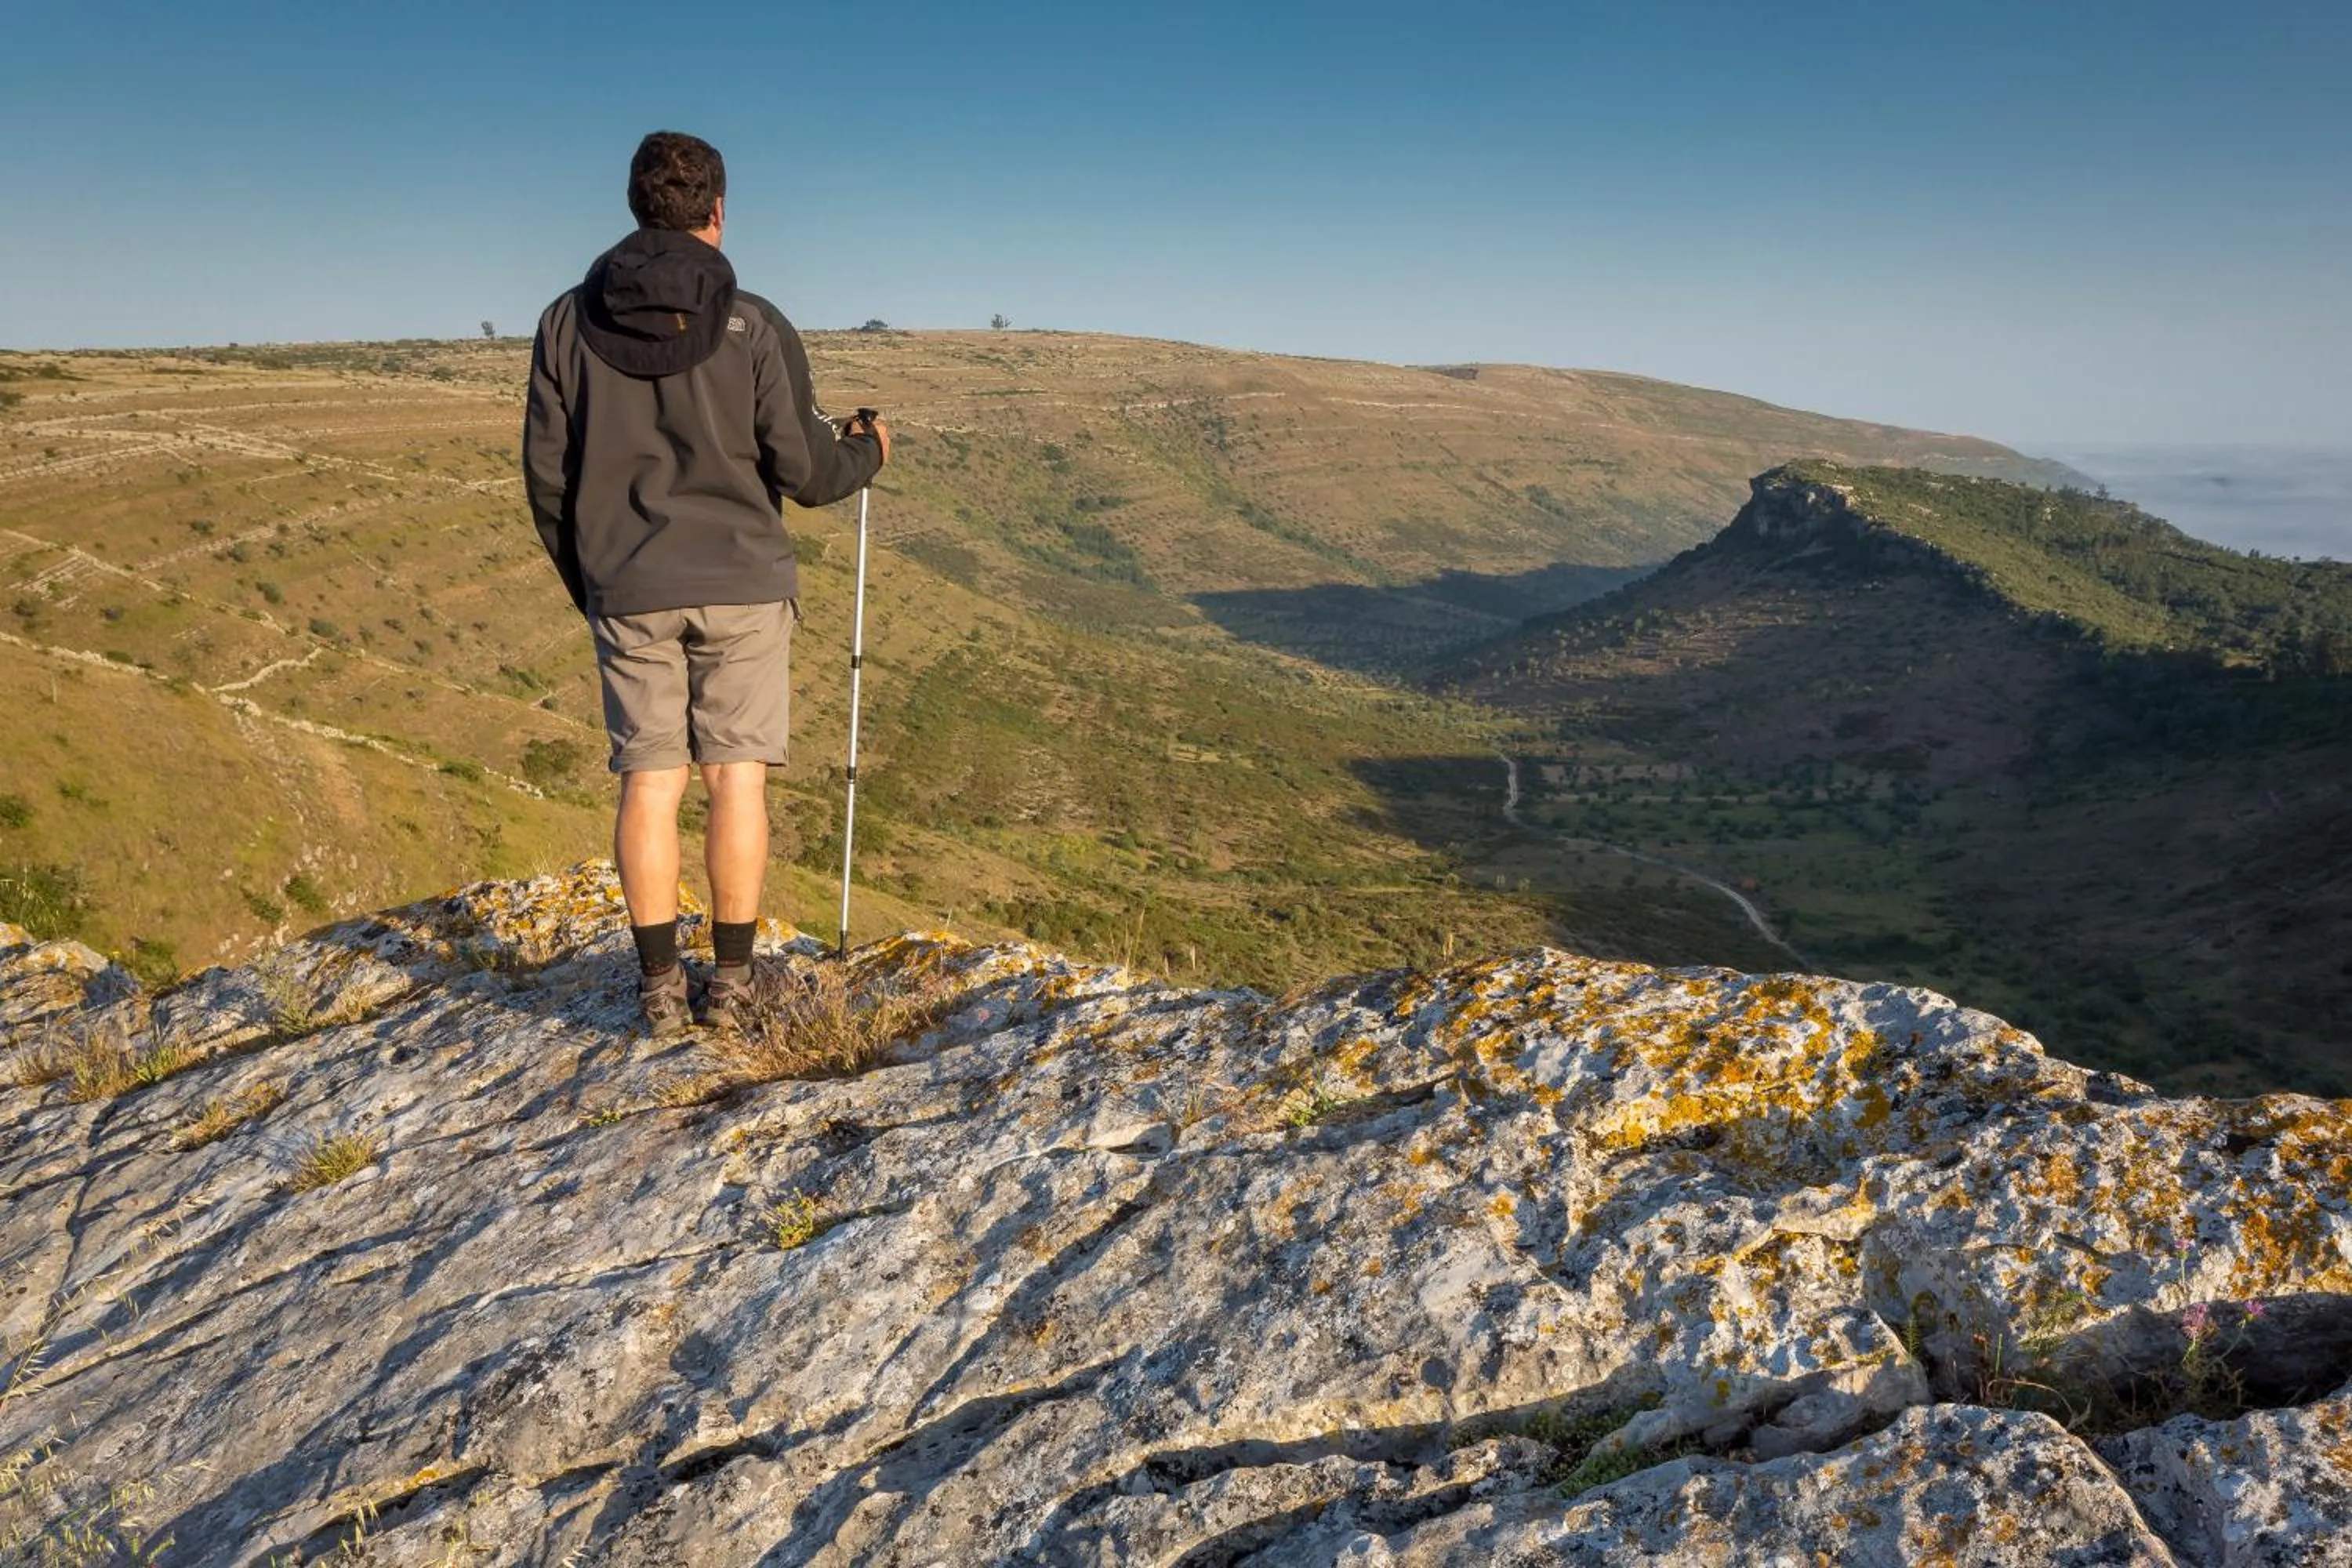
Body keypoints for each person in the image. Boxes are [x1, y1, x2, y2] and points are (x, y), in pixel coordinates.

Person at [522, 130, 888, 1038]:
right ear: (718, 210)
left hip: (627, 583)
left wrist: (595, 584)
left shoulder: (566, 324)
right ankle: (731, 984)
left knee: (649, 783)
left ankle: (657, 990)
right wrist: (868, 452)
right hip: (742, 582)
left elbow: (547, 479)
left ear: (636, 205)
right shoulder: (752, 325)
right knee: (735, 779)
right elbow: (806, 470)